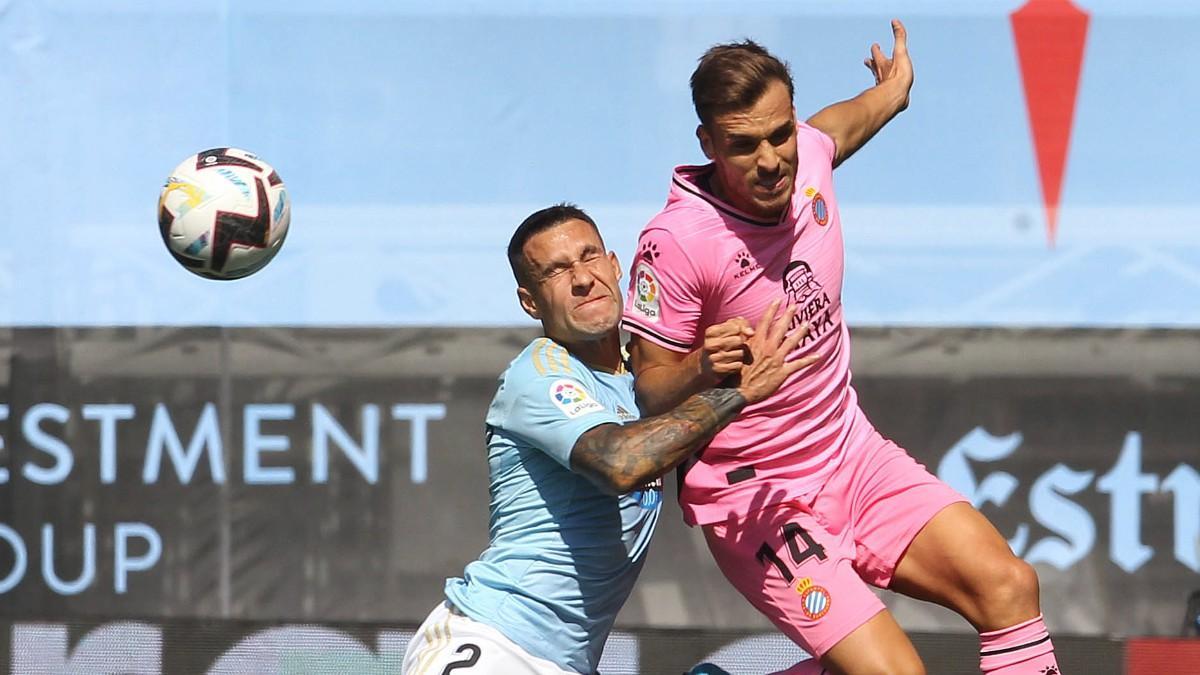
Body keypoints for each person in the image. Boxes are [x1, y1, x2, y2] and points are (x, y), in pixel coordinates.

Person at [621, 22, 1061, 675]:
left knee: (1009, 585)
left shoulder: (809, 156)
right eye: (743, 145)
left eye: (780, 134)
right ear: (708, 142)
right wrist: (704, 365)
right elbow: (649, 388)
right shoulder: (678, 242)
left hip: (853, 456)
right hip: (757, 497)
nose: (770, 159)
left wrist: (893, 90)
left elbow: (843, 126)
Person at [401, 204, 818, 675]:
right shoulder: (539, 374)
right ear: (530, 302)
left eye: (589, 257)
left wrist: (706, 367)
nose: (582, 279)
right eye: (556, 271)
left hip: (570, 664)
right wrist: (738, 392)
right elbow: (620, 462)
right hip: (494, 645)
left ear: (615, 266)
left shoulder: (646, 383)